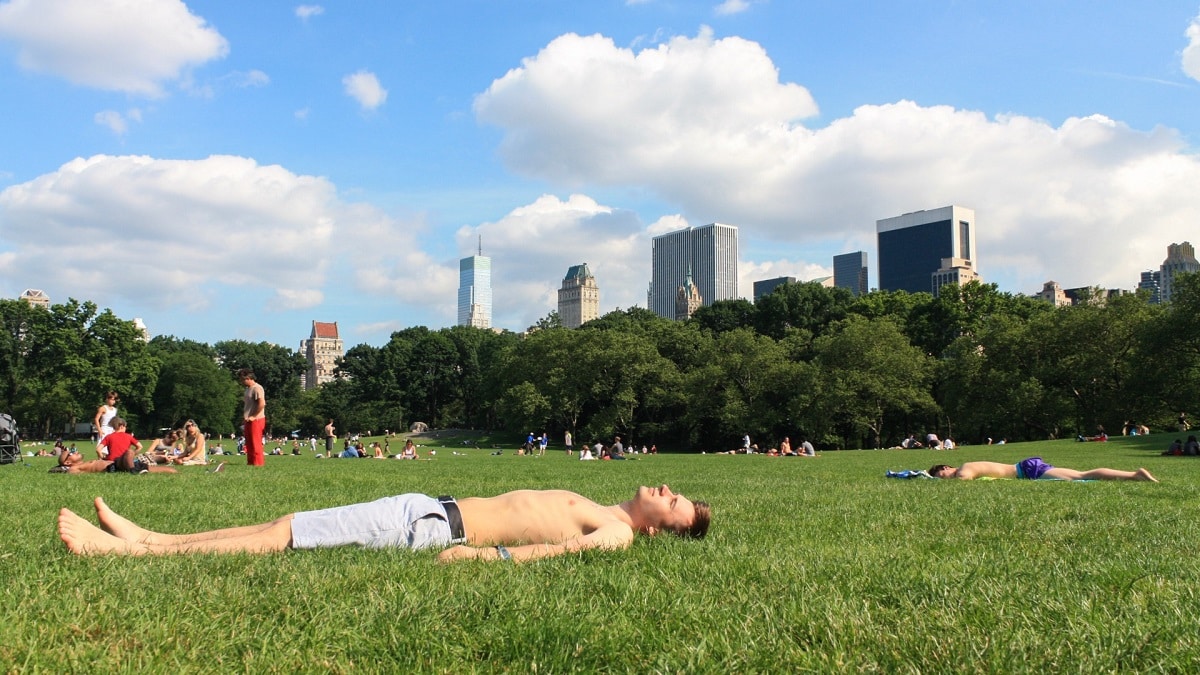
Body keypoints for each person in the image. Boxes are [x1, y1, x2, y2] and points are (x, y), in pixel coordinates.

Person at [58, 485, 711, 561]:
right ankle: (153, 537)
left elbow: (555, 553)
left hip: (436, 530)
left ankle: (135, 553)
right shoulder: (605, 503)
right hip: (428, 506)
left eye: (676, 502)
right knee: (289, 520)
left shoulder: (620, 531)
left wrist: (492, 560)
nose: (669, 490)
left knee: (288, 533)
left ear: (661, 529)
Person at [55, 418, 177, 474]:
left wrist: (102, 457)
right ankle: (133, 470)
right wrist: (59, 468)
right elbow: (64, 471)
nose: (73, 452)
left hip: (118, 463)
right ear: (67, 463)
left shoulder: (83, 463)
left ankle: (134, 469)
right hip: (115, 465)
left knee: (171, 470)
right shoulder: (74, 468)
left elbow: (98, 449)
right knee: (129, 452)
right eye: (70, 454)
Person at [928, 457, 1157, 482]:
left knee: (1082, 475)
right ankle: (1133, 476)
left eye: (942, 475)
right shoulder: (967, 465)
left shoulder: (964, 469)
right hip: (1027, 468)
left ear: (947, 467)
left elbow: (965, 479)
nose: (944, 479)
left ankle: (1134, 475)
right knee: (1081, 475)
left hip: (1027, 471)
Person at [239, 369, 266, 466]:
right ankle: (250, 462)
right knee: (249, 443)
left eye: (243, 379)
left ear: (248, 378)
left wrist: (253, 416)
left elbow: (262, 404)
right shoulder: (247, 389)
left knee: (255, 442)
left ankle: (258, 463)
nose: (241, 382)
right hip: (248, 420)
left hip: (257, 419)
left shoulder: (257, 388)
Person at [93, 391, 119, 458]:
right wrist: (99, 430)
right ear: (107, 399)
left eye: (114, 400)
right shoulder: (103, 408)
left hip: (112, 430)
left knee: (110, 448)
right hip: (104, 429)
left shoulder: (115, 410)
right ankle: (101, 461)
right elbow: (96, 419)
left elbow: (114, 421)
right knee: (101, 448)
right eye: (112, 399)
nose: (113, 401)